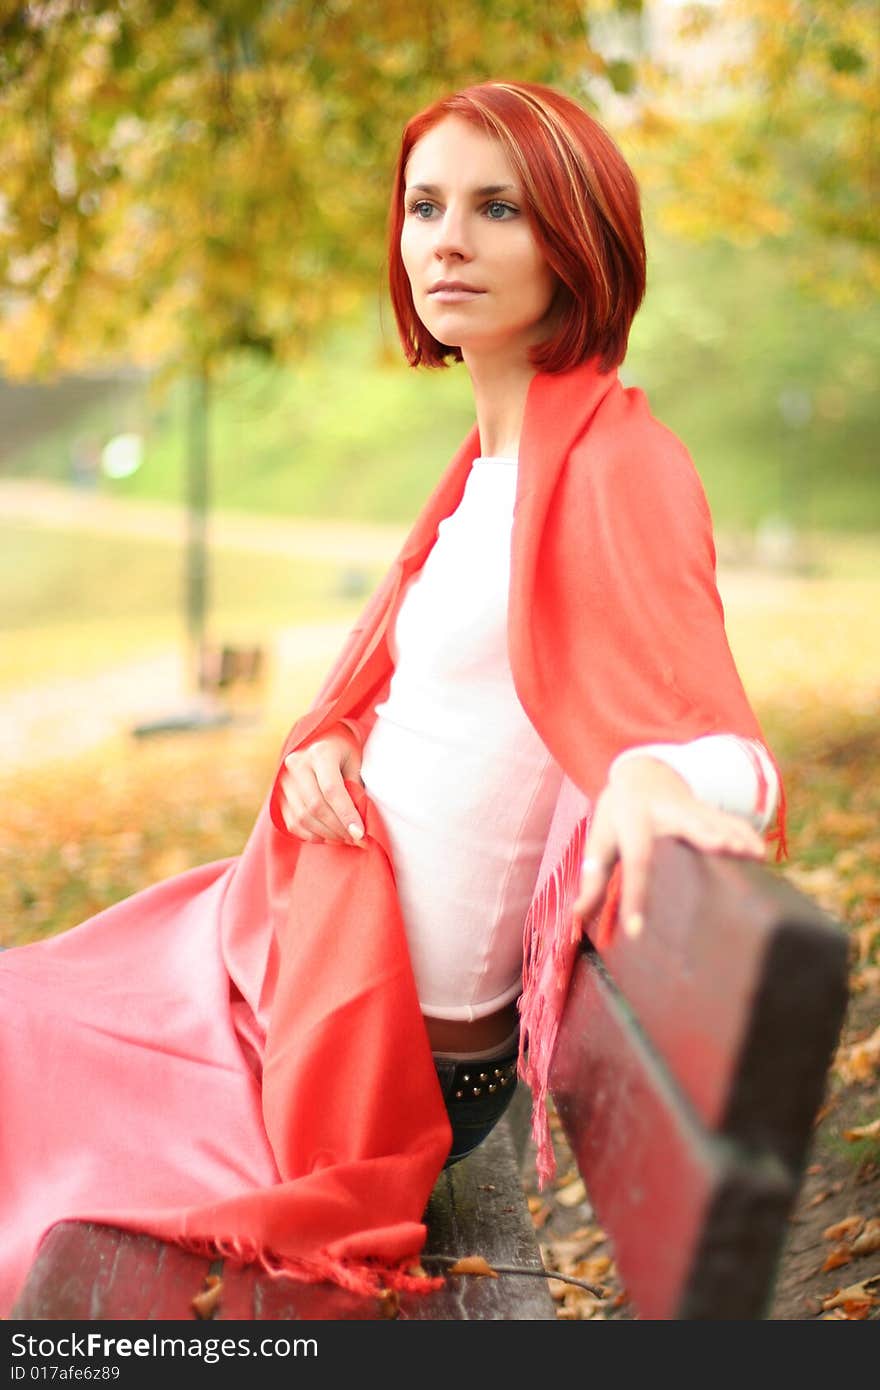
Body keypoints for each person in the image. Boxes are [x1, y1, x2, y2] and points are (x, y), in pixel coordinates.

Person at [0, 80, 785, 1315]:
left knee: (23, 1051)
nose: (446, 240)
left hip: (382, 1048)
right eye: (424, 206)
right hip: (304, 945)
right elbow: (454, 700)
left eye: (495, 207)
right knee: (21, 1008)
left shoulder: (618, 462)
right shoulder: (488, 463)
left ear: (574, 237)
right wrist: (338, 739)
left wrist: (651, 773)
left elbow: (720, 741)